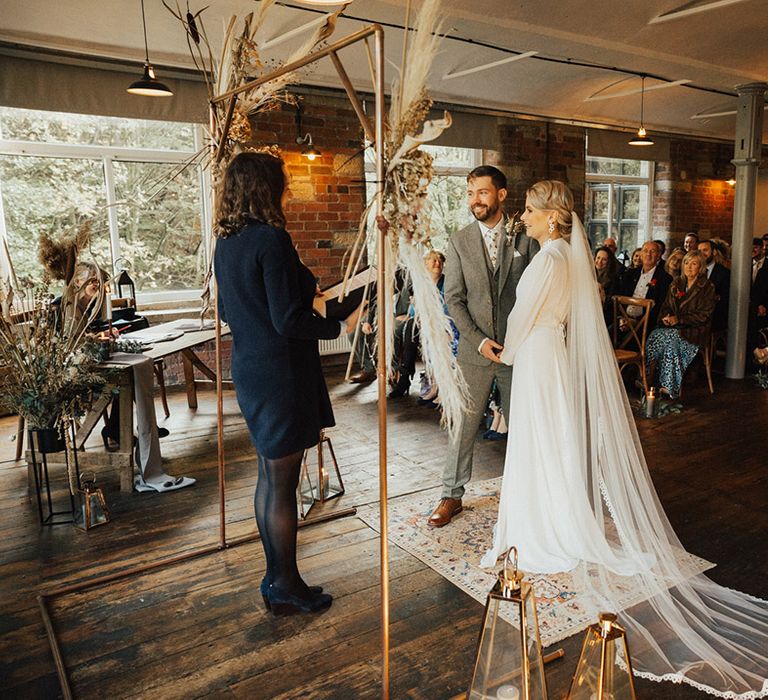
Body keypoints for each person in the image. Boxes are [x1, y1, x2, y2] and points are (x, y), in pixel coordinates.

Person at [481, 179, 768, 698]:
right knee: (550, 440)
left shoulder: (547, 261)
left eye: (528, 210)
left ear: (551, 218)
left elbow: (521, 318)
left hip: (538, 355)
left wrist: (506, 352)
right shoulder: (567, 260)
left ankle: (545, 526)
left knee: (539, 440)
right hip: (551, 353)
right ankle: (553, 513)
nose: (522, 216)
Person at [214, 151, 360, 616]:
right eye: (280, 182)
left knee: (269, 478)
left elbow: (231, 311)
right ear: (266, 187)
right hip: (280, 374)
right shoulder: (271, 240)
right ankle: (285, 584)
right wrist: (342, 328)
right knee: (282, 483)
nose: (285, 189)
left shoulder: (227, 243)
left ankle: (278, 578)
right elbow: (288, 319)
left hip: (251, 369)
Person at [428, 165, 538, 528]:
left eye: (482, 192)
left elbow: (536, 292)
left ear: (501, 195)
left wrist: (517, 341)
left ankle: (527, 494)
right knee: (463, 426)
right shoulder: (459, 241)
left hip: (518, 352)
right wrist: (479, 342)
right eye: (471, 192)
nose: (475, 200)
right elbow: (454, 299)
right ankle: (451, 494)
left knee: (524, 425)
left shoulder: (526, 237)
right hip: (475, 354)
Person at [646, 250, 715, 398]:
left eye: (694, 263)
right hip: (673, 327)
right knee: (654, 335)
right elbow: (666, 306)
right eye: (686, 263)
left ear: (701, 267)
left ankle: (668, 386)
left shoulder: (707, 287)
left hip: (694, 329)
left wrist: (680, 319)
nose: (689, 267)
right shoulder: (677, 283)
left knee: (672, 341)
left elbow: (705, 314)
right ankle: (648, 378)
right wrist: (667, 317)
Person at [617, 239, 672, 328]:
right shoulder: (629, 274)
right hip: (623, 319)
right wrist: (621, 318)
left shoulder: (665, 278)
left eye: (652, 251)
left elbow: (660, 307)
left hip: (646, 324)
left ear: (658, 256)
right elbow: (619, 296)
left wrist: (637, 322)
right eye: (645, 251)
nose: (648, 254)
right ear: (641, 254)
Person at [698, 239, 730, 331]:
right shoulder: (693, 270)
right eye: (699, 251)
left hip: (714, 318)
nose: (702, 254)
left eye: (705, 250)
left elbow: (724, 298)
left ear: (714, 252)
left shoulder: (724, 273)